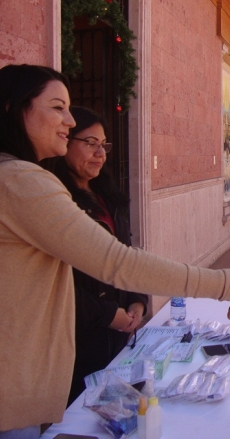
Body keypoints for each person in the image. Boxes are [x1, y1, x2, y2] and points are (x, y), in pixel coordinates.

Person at [0, 64, 230, 436]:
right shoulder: (18, 179)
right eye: (56, 107)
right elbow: (115, 262)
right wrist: (226, 283)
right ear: (13, 109)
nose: (68, 120)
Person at [50, 106, 148, 405]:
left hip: (119, 333)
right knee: (83, 413)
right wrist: (108, 315)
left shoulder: (107, 195)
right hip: (80, 339)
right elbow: (55, 282)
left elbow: (124, 257)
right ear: (65, 140)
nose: (100, 153)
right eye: (90, 143)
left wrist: (137, 300)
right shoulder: (56, 200)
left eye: (103, 145)